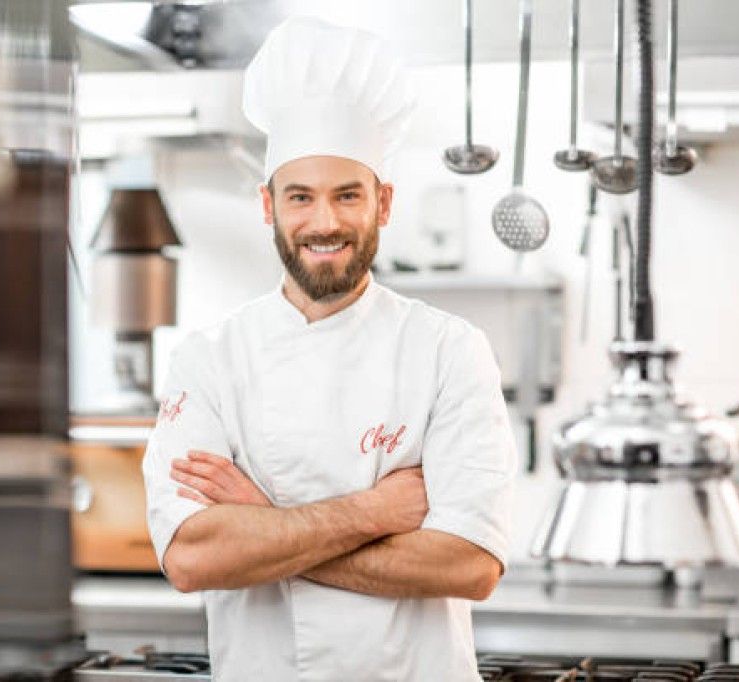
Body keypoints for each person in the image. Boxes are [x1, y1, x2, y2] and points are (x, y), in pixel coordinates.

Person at [143, 16, 517, 682]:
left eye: (348, 196)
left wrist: (263, 524)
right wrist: (374, 512)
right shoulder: (209, 361)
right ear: (268, 206)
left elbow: (468, 565)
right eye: (301, 197)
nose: (325, 222)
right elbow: (194, 558)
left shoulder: (450, 351)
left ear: (383, 203)